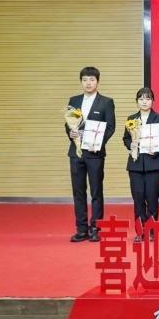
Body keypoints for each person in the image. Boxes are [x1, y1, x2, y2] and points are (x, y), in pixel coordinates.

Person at [65, 66, 115, 243]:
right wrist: (70, 133)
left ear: (97, 82)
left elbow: (110, 127)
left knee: (96, 191)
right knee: (78, 192)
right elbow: (68, 124)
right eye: (85, 80)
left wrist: (97, 143)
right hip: (76, 153)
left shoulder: (106, 102)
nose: (88, 83)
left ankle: (95, 228)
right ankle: (81, 229)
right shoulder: (74, 100)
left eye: (92, 80)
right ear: (81, 82)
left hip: (95, 153)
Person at [122, 87, 159, 243]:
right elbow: (126, 138)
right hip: (135, 165)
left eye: (148, 98)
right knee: (138, 198)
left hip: (153, 164)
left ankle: (151, 230)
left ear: (152, 101)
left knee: (152, 198)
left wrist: (156, 149)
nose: (144, 102)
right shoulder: (131, 119)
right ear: (137, 101)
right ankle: (140, 231)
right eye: (141, 99)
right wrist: (131, 145)